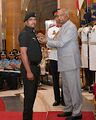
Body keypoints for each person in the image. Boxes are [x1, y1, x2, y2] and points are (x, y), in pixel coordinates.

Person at [47, 9, 82, 120]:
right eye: (58, 16)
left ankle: (77, 112)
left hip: (71, 62)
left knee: (73, 88)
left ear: (66, 16)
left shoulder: (71, 27)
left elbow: (61, 43)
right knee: (66, 88)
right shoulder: (64, 27)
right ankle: (68, 109)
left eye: (61, 15)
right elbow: (56, 39)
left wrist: (46, 41)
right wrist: (45, 38)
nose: (59, 18)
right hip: (64, 61)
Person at [18, 12, 42, 120]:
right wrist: (28, 71)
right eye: (31, 19)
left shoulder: (33, 33)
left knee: (32, 97)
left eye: (34, 19)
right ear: (26, 21)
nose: (34, 21)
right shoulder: (24, 34)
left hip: (35, 67)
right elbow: (23, 53)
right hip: (30, 68)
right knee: (29, 97)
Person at [47, 10, 64, 106]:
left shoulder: (66, 28)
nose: (58, 18)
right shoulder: (50, 29)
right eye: (56, 16)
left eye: (59, 16)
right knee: (55, 79)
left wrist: (56, 42)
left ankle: (65, 99)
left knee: (65, 80)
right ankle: (57, 99)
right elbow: (49, 43)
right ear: (54, 18)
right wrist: (57, 43)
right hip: (54, 57)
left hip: (64, 57)